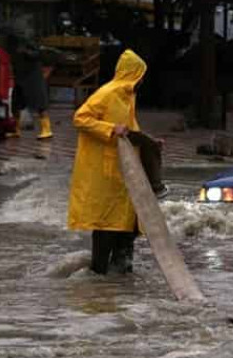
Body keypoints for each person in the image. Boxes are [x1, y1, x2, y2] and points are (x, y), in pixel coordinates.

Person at [68, 49, 165, 275]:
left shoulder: (128, 96)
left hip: (125, 176)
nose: (142, 81)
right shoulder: (108, 93)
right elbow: (80, 118)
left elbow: (129, 130)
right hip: (105, 173)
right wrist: (110, 130)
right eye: (141, 75)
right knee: (106, 225)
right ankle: (98, 275)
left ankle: (120, 281)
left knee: (127, 226)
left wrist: (150, 142)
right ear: (133, 74)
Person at [5, 31, 52, 139]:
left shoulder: (26, 43)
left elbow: (37, 54)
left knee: (39, 103)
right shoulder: (12, 47)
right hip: (20, 77)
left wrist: (26, 51)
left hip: (32, 78)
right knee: (16, 103)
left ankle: (47, 129)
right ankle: (15, 129)